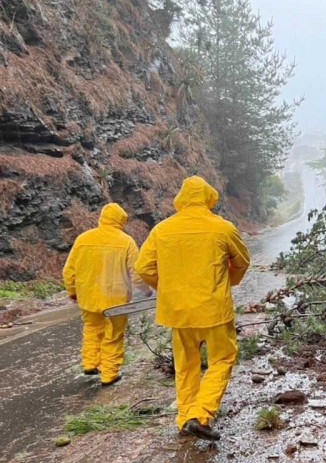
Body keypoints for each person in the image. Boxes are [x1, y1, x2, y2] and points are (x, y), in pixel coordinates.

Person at [135, 176, 250, 441]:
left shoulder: (162, 230)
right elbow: (242, 261)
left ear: (182, 199)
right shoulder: (222, 228)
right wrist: (227, 281)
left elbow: (143, 268)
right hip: (214, 310)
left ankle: (185, 416)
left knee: (186, 364)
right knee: (222, 359)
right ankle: (201, 414)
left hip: (178, 311)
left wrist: (165, 288)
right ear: (209, 197)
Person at [63, 203, 149, 386]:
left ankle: (90, 363)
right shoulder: (126, 241)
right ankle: (109, 374)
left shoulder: (83, 239)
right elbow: (136, 271)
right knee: (113, 335)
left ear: (101, 217)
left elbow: (69, 271)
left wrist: (72, 291)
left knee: (92, 330)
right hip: (116, 300)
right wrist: (146, 290)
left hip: (88, 297)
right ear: (121, 220)